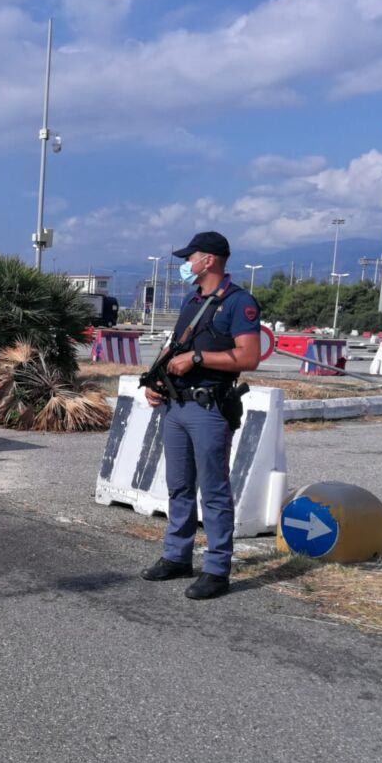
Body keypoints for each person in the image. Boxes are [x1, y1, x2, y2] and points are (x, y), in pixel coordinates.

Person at [141, 231, 262, 599]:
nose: (185, 265)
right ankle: (177, 556)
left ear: (208, 260)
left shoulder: (240, 303)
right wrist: (155, 381)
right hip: (176, 406)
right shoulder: (194, 301)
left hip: (209, 409)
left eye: (189, 257)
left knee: (213, 491)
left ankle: (216, 568)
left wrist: (197, 359)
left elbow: (249, 357)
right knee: (179, 486)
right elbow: (176, 346)